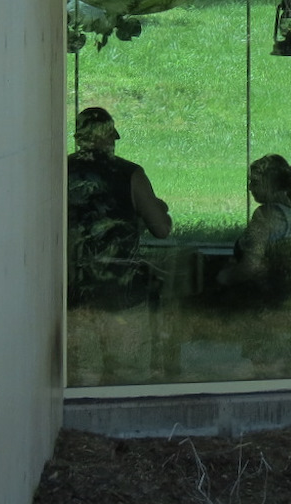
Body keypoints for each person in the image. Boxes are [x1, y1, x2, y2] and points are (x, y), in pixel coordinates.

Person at [65, 106, 172, 385]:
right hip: (123, 291)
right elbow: (161, 229)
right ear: (112, 137)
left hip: (77, 289)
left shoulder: (60, 171)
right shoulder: (130, 174)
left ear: (79, 138)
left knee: (83, 377)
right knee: (130, 375)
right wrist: (159, 208)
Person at [217, 154, 291, 303]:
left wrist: (223, 278)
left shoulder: (264, 215)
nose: (249, 187)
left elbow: (251, 266)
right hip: (289, 294)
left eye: (255, 182)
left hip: (258, 296)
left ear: (271, 183)